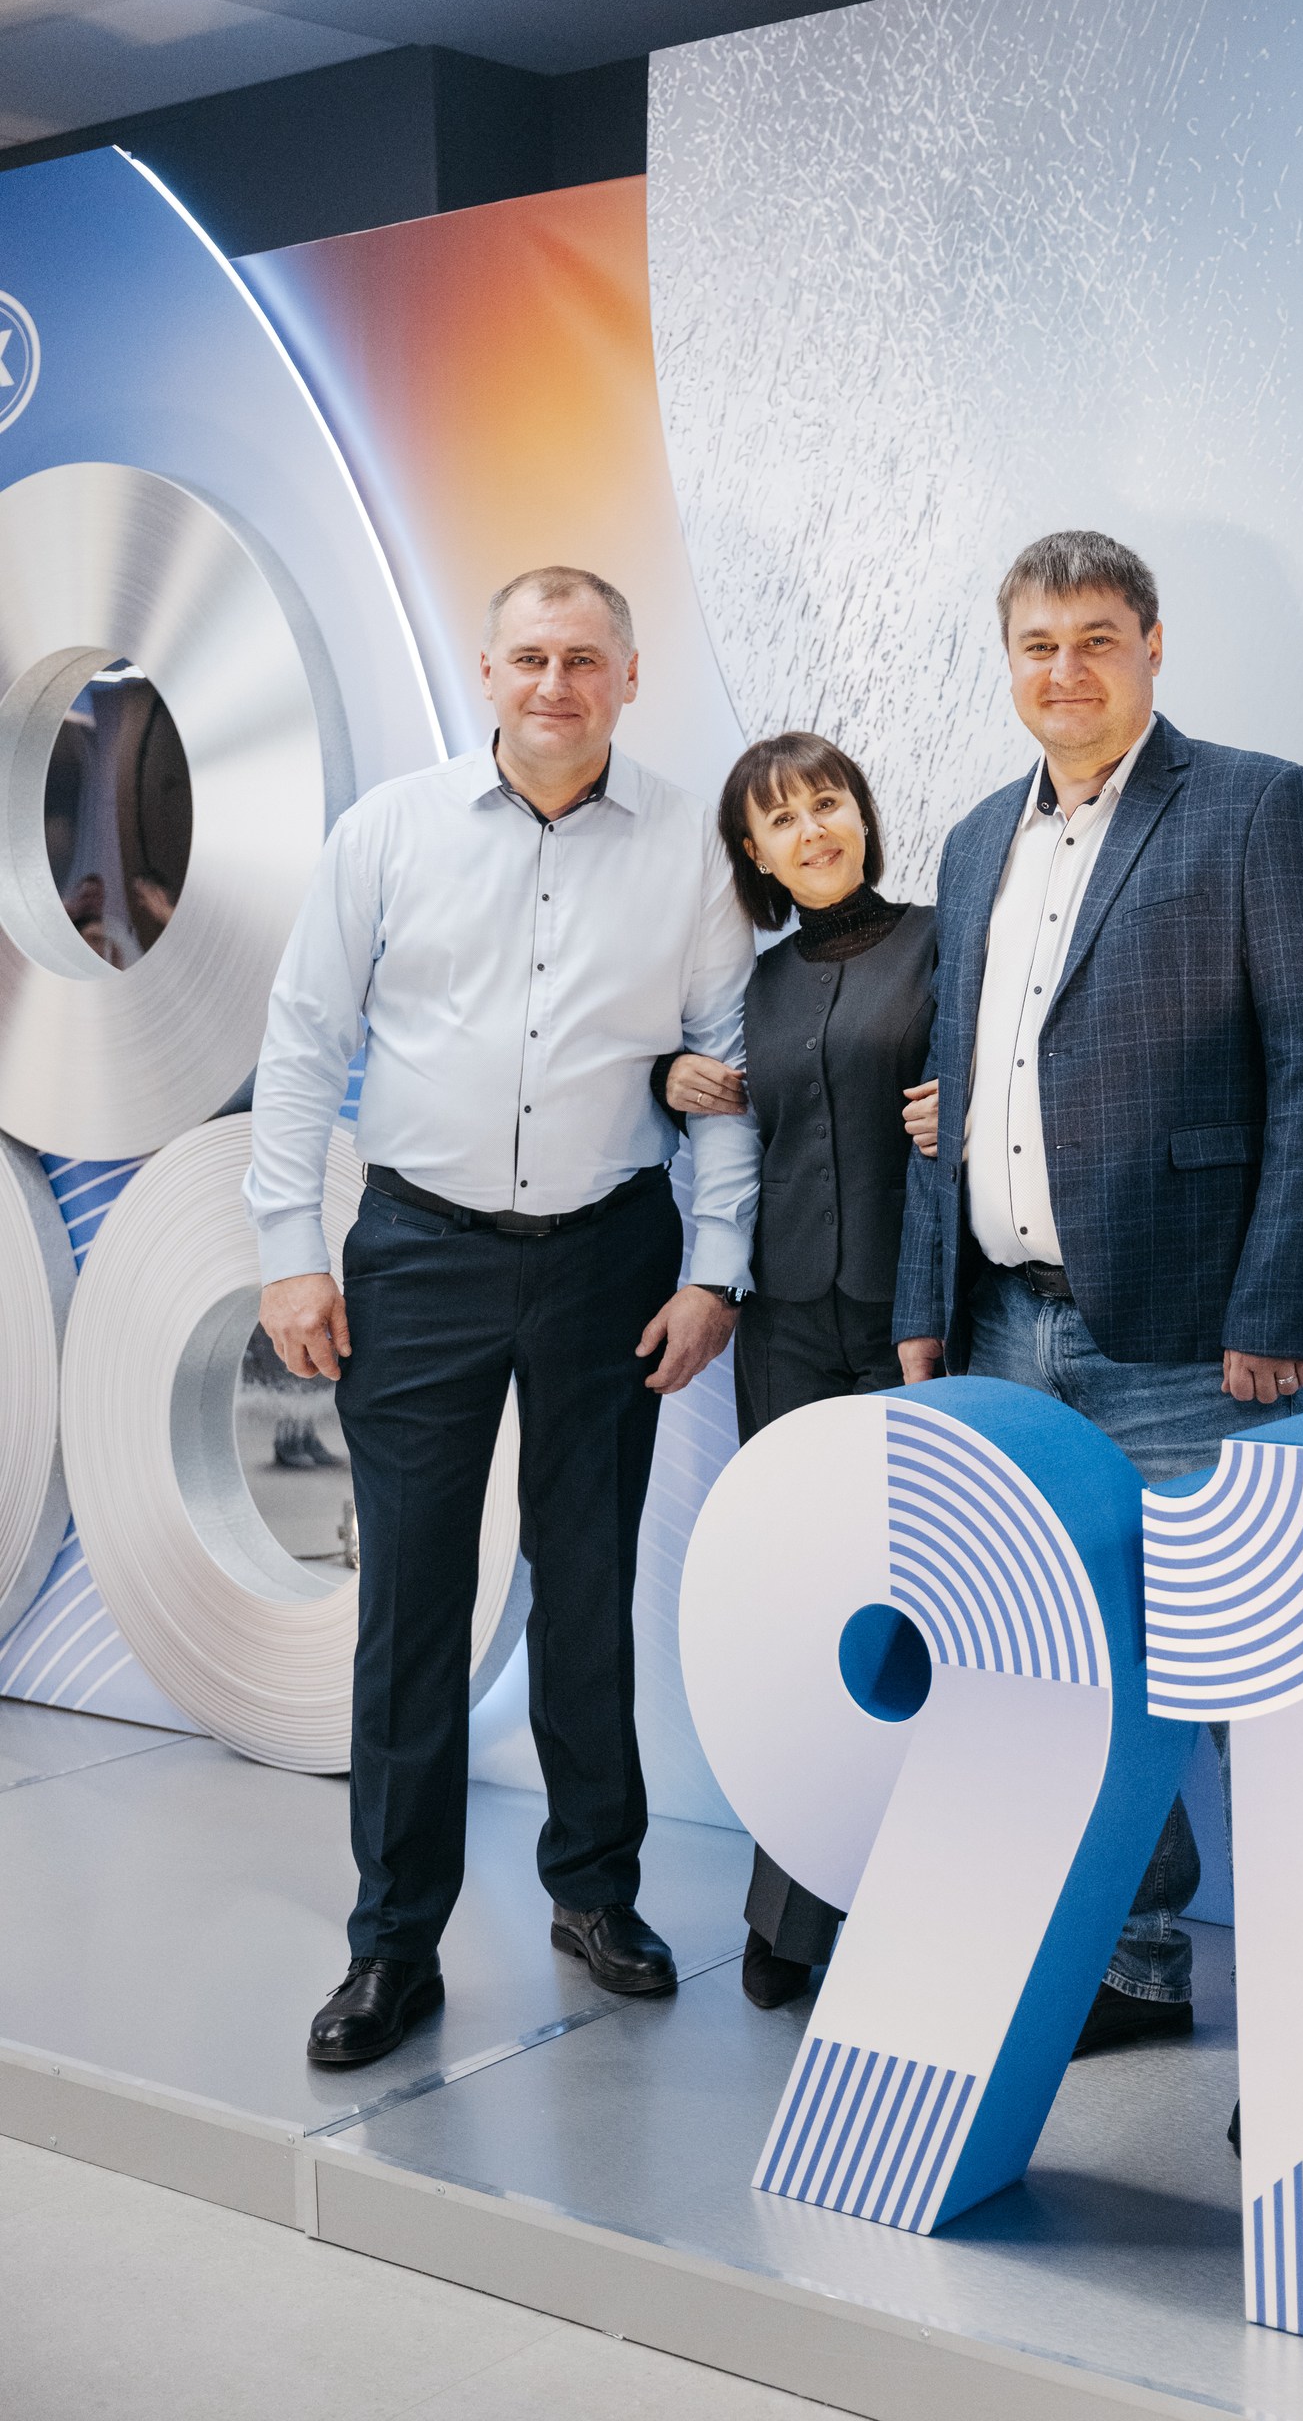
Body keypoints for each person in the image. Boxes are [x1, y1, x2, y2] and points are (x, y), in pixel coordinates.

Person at [246, 565, 761, 2068]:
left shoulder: (690, 849)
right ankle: (391, 1946)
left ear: (630, 677)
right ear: (486, 672)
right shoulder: (388, 832)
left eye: (584, 659)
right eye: (530, 657)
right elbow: (303, 1040)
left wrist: (714, 1270)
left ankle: (594, 1893)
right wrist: (288, 1250)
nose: (555, 683)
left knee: (589, 1585)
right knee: (409, 1605)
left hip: (612, 1258)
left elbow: (726, 1071)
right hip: (419, 1255)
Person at [893, 529, 1303, 2063]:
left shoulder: (1255, 807)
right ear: (1007, 663)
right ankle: (1137, 1966)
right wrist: (923, 1301)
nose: (1065, 671)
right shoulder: (973, 839)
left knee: (1250, 1687)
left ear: (1151, 647)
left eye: (1095, 638)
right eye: (1037, 645)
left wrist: (1275, 1302)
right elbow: (960, 1082)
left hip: (1187, 1335)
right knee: (1064, 1672)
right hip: (1000, 1325)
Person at [659, 732, 937, 2010]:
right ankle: (792, 1910)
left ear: (863, 816)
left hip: (915, 1322)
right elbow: (695, 1101)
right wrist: (664, 1075)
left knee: (924, 1614)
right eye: (781, 819)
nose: (812, 829)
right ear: (755, 855)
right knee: (802, 1608)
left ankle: (925, 1909)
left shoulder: (940, 942)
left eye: (828, 803)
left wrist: (959, 1101)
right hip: (783, 1328)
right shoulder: (754, 986)